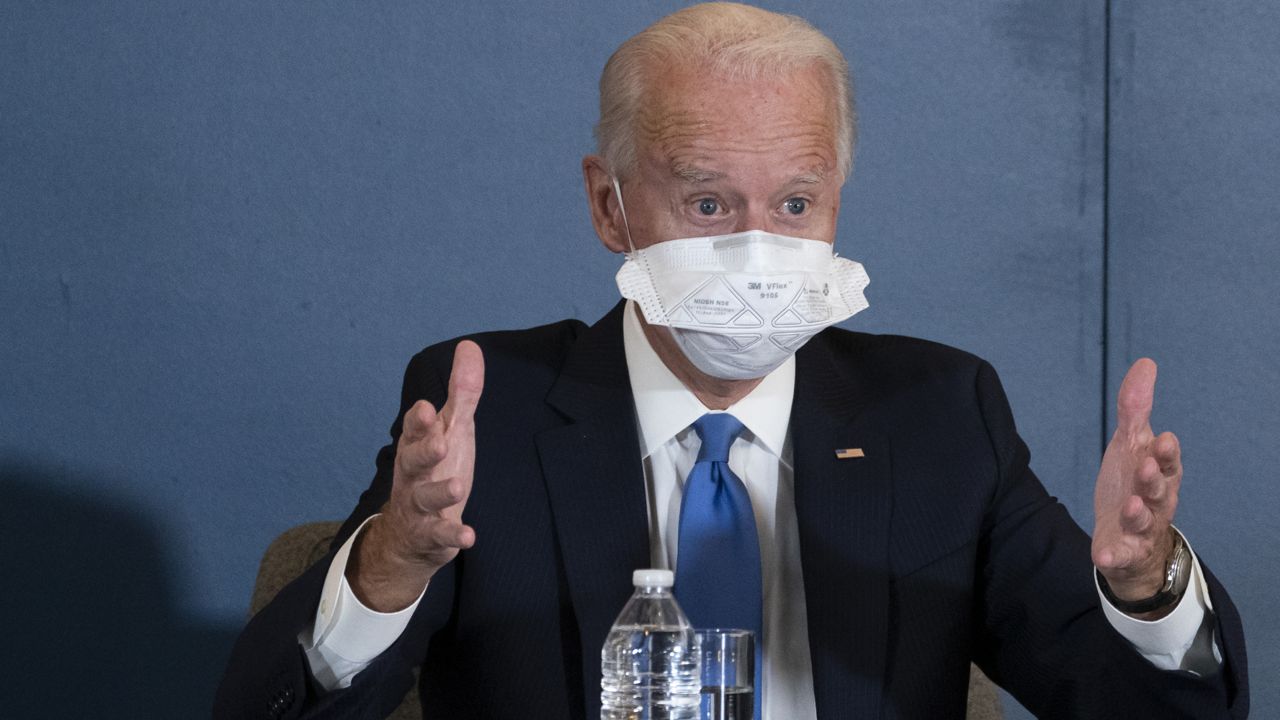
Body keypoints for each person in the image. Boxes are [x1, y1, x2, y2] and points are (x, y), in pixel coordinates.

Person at [216, 4, 1247, 718]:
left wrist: (1147, 589)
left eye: (794, 203)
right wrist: (393, 561)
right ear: (608, 205)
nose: (757, 244)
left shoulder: (936, 416)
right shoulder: (494, 411)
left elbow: (1153, 710)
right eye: (707, 202)